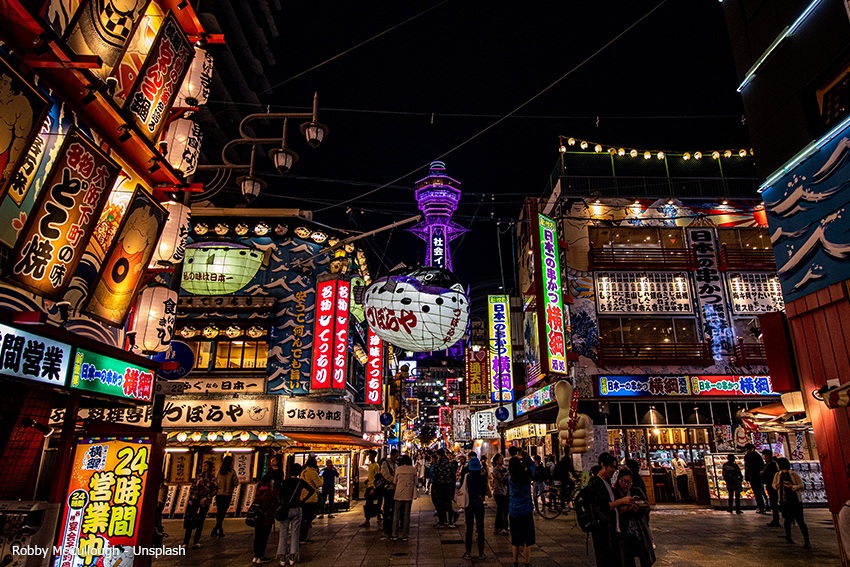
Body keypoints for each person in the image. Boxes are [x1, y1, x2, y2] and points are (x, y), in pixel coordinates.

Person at [587, 453, 633, 567]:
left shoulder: (606, 483)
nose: (613, 470)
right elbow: (604, 506)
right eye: (612, 467)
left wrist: (625, 508)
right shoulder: (596, 483)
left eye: (615, 467)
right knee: (605, 560)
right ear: (603, 465)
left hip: (612, 529)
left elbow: (612, 507)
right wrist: (622, 501)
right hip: (603, 530)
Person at [615, 468, 656, 567]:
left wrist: (638, 508)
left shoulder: (636, 491)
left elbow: (646, 507)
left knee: (645, 557)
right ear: (618, 480)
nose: (626, 485)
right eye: (623, 482)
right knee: (627, 559)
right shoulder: (615, 493)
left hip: (639, 530)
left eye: (629, 482)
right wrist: (625, 509)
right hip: (624, 532)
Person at [277, 463, 315, 566]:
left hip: (286, 509)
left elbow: (279, 494)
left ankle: (282, 556)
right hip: (297, 508)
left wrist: (283, 502)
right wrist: (303, 500)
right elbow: (311, 490)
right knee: (295, 533)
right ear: (299, 472)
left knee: (283, 533)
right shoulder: (300, 482)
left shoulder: (285, 482)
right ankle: (293, 555)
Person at [773, 457, 810, 548]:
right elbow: (773, 485)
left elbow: (801, 485)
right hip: (784, 500)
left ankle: (807, 541)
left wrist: (792, 486)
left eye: (777, 464)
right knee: (787, 520)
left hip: (795, 500)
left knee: (800, 520)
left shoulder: (793, 474)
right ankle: (788, 537)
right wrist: (776, 486)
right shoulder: (778, 475)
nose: (776, 466)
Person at [508, 451, 535, 567]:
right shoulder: (527, 476)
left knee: (515, 539)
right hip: (526, 511)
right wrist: (525, 458)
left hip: (514, 511)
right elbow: (533, 466)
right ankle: (526, 562)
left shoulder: (510, 478)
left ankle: (515, 562)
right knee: (527, 540)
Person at [183, 461, 218, 548]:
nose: (204, 467)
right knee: (191, 519)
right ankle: (185, 542)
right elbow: (193, 487)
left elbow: (215, 490)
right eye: (203, 465)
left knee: (201, 520)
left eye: (206, 465)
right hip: (195, 499)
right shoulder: (199, 476)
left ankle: (196, 541)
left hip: (205, 500)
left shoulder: (212, 478)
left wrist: (206, 498)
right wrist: (193, 496)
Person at [461, 457, 487, 560]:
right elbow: (484, 491)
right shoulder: (482, 478)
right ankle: (481, 553)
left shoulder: (467, 477)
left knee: (469, 528)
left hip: (469, 503)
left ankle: (468, 552)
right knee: (480, 528)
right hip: (479, 503)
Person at [252, 478, 279, 564]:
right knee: (264, 537)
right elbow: (276, 503)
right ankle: (261, 556)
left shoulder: (259, 491)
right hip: (266, 517)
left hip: (257, 517)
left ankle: (256, 555)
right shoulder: (271, 492)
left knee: (257, 536)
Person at [391, 454, 418, 541]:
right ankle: (405, 535)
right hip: (408, 494)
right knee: (406, 515)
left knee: (396, 514)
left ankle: (394, 534)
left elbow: (395, 481)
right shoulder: (413, 470)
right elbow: (416, 482)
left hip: (398, 493)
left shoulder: (398, 469)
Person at [212, 455, 238, 538]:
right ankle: (218, 529)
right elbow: (236, 483)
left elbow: (216, 482)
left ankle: (217, 529)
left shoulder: (219, 471)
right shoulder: (232, 472)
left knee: (219, 512)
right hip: (227, 494)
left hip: (219, 494)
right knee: (222, 512)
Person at [298, 457, 323, 543]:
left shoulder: (303, 472)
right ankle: (303, 537)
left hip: (303, 497)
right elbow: (319, 483)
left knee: (303, 518)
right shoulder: (312, 472)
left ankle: (301, 536)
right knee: (308, 518)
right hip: (311, 497)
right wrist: (321, 478)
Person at [431, 448, 456, 528]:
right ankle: (450, 521)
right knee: (448, 503)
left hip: (438, 486)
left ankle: (442, 521)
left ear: (438, 455)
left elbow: (434, 475)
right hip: (448, 486)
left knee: (440, 503)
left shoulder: (436, 464)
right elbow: (453, 474)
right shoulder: (449, 464)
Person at [380, 449, 399, 538]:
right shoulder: (385, 463)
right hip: (388, 489)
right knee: (387, 508)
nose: (396, 458)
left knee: (393, 508)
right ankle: (386, 527)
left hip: (394, 488)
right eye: (395, 456)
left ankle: (392, 525)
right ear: (391, 455)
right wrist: (395, 481)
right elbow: (386, 475)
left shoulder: (395, 464)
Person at [360, 450, 381, 528]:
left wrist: (374, 488)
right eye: (369, 455)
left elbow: (377, 477)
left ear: (374, 456)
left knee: (368, 503)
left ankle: (367, 520)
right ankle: (378, 513)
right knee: (370, 503)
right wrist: (367, 480)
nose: (369, 457)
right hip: (369, 486)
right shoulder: (370, 465)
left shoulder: (376, 466)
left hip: (373, 487)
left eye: (370, 456)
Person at [744, 443, 767, 514]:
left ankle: (761, 506)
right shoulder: (757, 456)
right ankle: (764, 505)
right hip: (757, 477)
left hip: (754, 477)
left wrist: (747, 476)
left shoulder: (749, 456)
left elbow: (747, 468)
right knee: (760, 492)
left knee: (757, 492)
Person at [761, 449, 781, 527]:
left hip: (772, 484)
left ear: (767, 455)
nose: (763, 456)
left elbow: (770, 474)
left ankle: (776, 519)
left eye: (764, 455)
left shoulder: (771, 464)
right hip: (770, 484)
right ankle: (775, 518)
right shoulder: (768, 463)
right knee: (773, 502)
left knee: (774, 502)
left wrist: (763, 474)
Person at [491, 454, 509, 535]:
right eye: (500, 459)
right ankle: (500, 527)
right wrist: (508, 474)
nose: (502, 460)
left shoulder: (504, 469)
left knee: (502, 510)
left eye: (502, 458)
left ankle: (499, 527)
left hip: (505, 491)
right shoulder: (495, 470)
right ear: (496, 461)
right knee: (501, 510)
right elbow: (501, 479)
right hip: (498, 492)